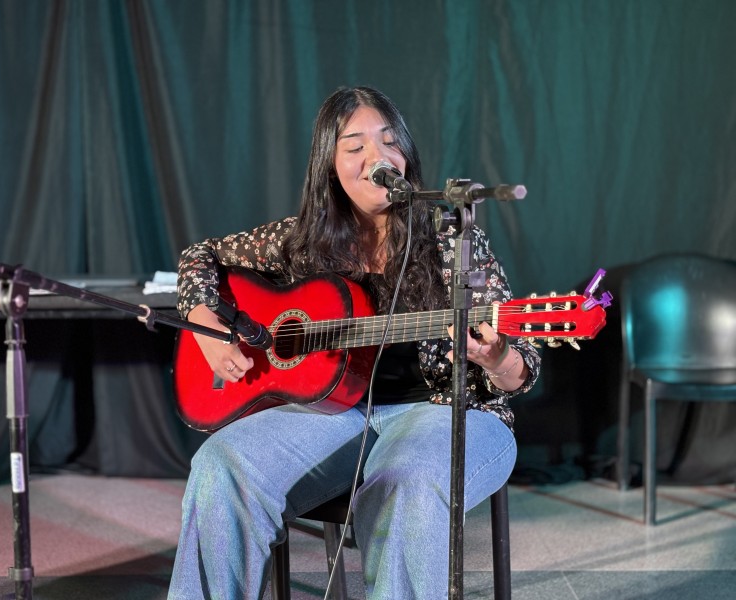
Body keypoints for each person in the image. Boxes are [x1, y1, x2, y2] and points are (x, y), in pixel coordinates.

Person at [168, 86, 540, 599]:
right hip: (331, 412)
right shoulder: (302, 240)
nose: (377, 156)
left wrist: (496, 357)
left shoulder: (451, 237)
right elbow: (200, 255)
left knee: (405, 480)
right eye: (355, 146)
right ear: (330, 165)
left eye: (389, 141)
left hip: (444, 411)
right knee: (221, 465)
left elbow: (523, 367)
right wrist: (204, 324)